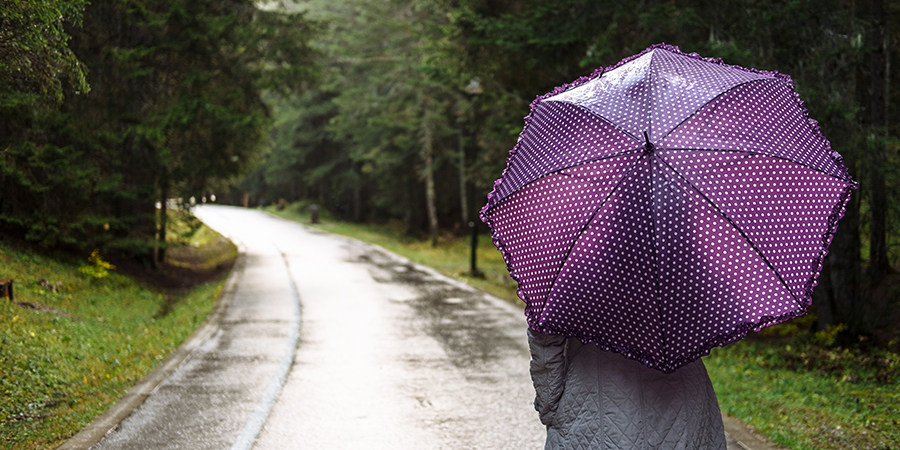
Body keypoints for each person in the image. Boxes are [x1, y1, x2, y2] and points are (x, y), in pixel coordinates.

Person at [528, 328, 726, 450]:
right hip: (685, 386)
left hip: (600, 393)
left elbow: (545, 341)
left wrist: (550, 406)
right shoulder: (682, 272)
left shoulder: (574, 276)